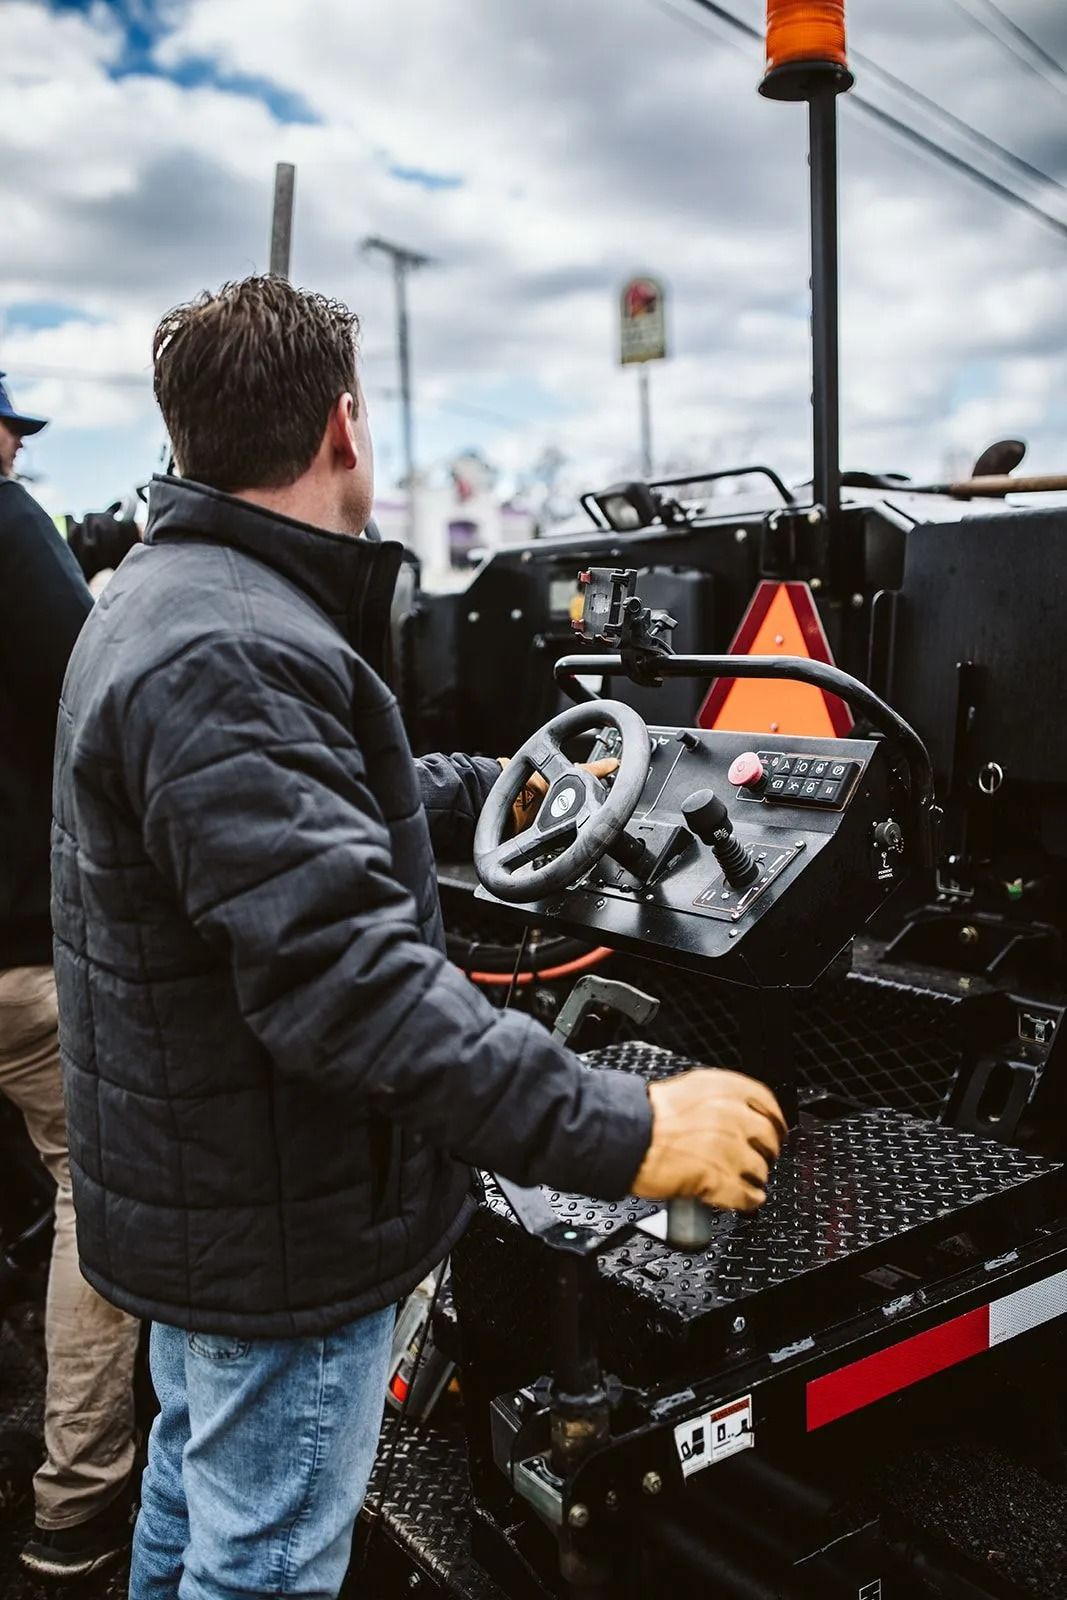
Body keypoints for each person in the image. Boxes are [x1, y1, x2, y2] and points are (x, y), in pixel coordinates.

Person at [51, 276, 786, 1600]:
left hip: (208, 1195)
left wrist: (513, 780)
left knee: (188, 1496)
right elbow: (353, 993)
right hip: (284, 1227)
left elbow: (321, 794)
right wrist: (635, 1134)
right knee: (262, 1560)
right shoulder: (229, 647)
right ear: (344, 426)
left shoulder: (177, 600)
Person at [0, 372, 141, 1578]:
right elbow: (91, 684)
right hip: (20, 958)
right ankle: (80, 1496)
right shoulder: (4, 521)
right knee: (91, 1192)